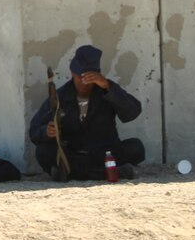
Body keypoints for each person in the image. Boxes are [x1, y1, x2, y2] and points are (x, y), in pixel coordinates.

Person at [29, 44, 144, 181]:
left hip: (104, 154)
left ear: (98, 74)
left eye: (89, 77)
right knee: (43, 151)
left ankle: (79, 175)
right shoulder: (61, 96)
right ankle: (105, 174)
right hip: (73, 156)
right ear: (72, 72)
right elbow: (34, 131)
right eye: (80, 76)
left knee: (136, 148)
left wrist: (108, 86)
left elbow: (133, 112)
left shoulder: (106, 90)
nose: (84, 81)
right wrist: (47, 131)